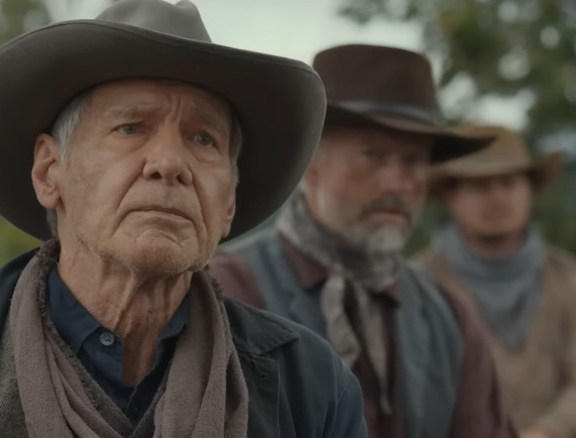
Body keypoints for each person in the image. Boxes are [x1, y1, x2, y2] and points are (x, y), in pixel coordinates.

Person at [0, 1, 368, 437]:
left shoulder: (311, 391)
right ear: (49, 171)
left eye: (203, 139)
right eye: (131, 127)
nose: (170, 163)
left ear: (229, 202)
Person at [209, 44, 517, 438]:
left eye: (413, 161)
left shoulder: (448, 318)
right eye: (373, 156)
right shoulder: (226, 291)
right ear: (311, 164)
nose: (397, 182)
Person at [417, 124, 575, 438]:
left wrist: (546, 431)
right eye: (479, 186)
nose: (497, 197)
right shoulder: (420, 283)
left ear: (529, 188)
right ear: (451, 195)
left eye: (508, 182)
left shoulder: (567, 277)